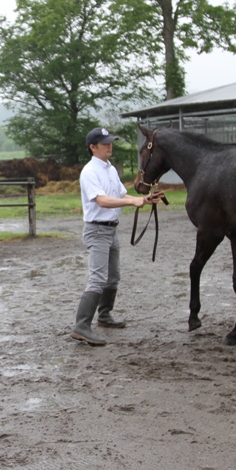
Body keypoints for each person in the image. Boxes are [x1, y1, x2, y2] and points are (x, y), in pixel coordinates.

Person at [71, 128, 164, 346]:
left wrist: (145, 199)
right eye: (104, 143)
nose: (109, 145)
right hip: (97, 230)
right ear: (93, 147)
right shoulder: (89, 171)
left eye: (110, 142)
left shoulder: (110, 169)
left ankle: (104, 316)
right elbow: (102, 200)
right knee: (98, 278)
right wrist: (133, 202)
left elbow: (121, 194)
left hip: (110, 229)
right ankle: (81, 326)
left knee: (113, 276)